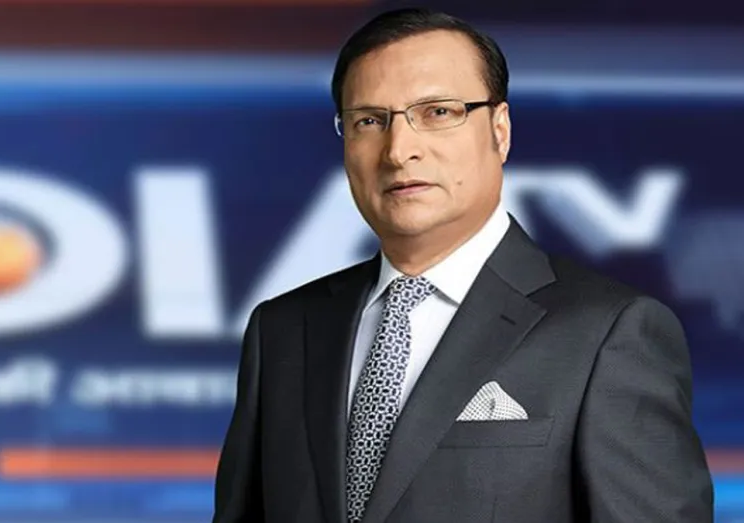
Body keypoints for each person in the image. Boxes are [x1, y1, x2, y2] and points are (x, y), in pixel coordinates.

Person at [212, 8, 714, 523]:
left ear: (500, 130)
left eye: (438, 112)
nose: (399, 150)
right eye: (370, 121)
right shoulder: (281, 330)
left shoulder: (608, 333)